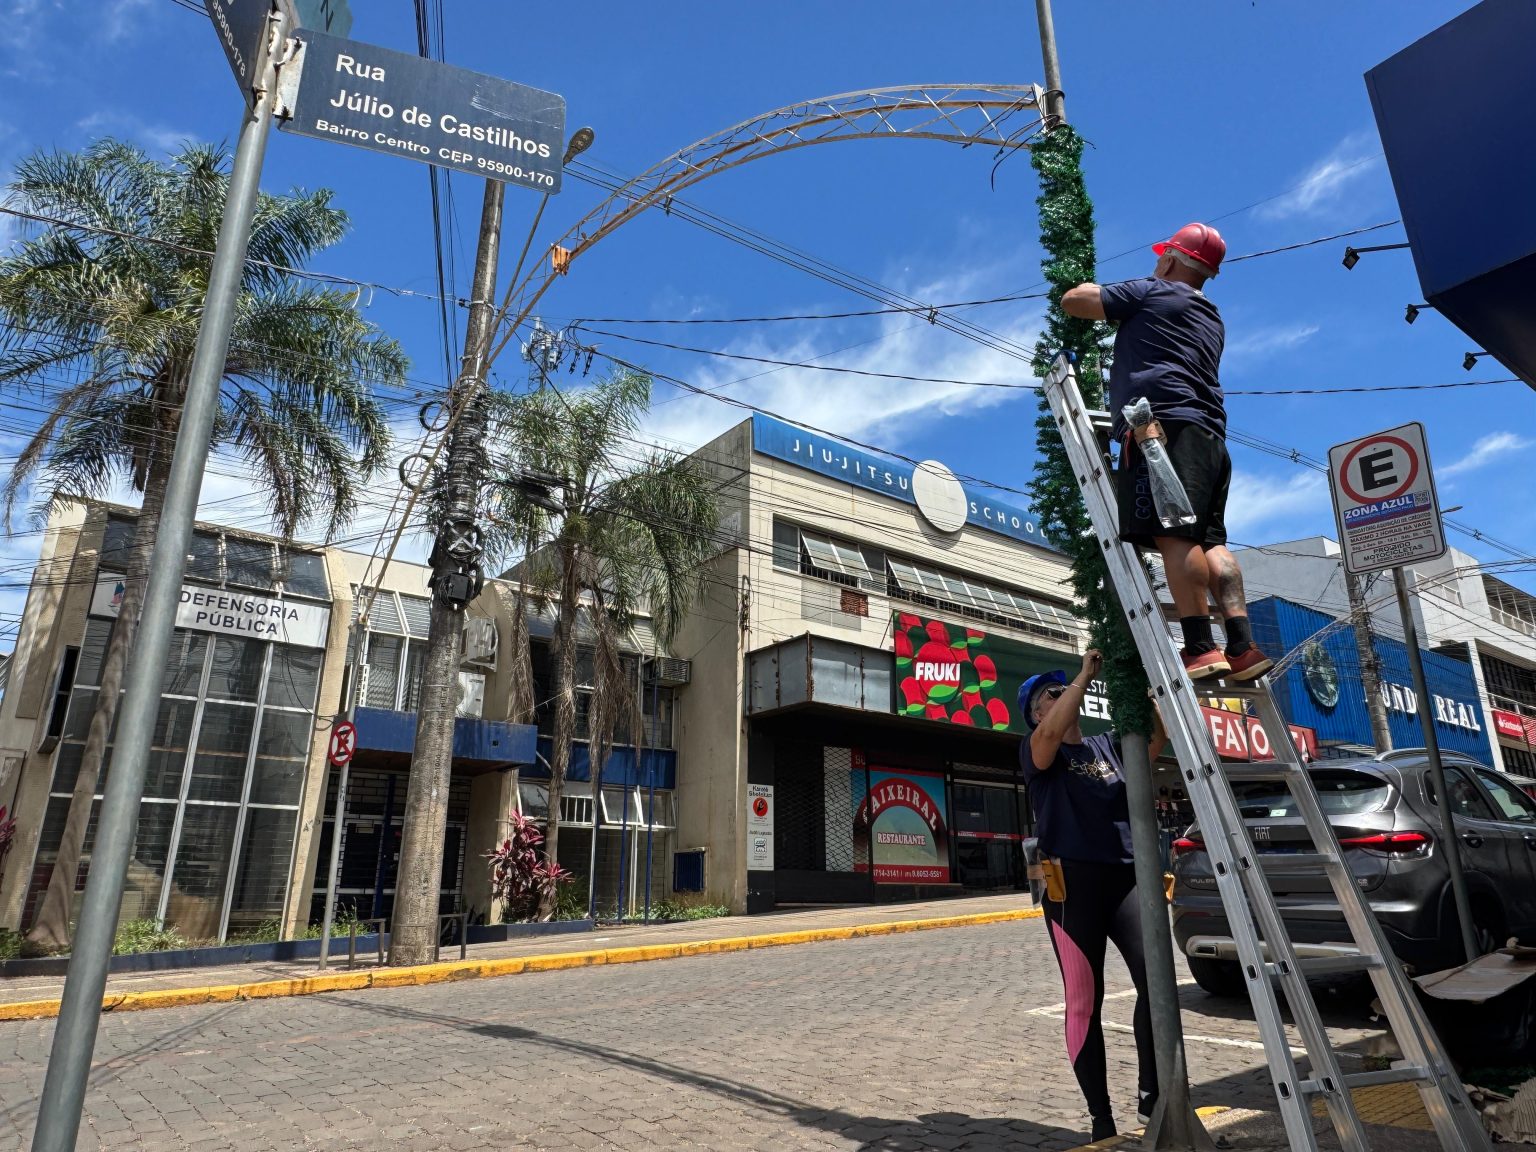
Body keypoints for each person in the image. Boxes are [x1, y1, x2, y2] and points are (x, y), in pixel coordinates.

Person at [1061, 223, 1271, 682]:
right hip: (1210, 436)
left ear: (1173, 258)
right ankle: (1241, 647)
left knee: (1175, 535)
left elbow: (1075, 300)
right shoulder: (1211, 315)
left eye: (1163, 255)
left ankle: (1200, 647)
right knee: (1212, 542)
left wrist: (1102, 289)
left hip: (1162, 431)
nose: (1156, 259)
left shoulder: (1153, 291)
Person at [1021, 649, 1166, 1142]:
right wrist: (1083, 676)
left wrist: (1141, 693)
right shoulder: (1038, 749)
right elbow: (1047, 740)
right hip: (1071, 888)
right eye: (1051, 694)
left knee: (1157, 982)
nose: (1064, 696)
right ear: (1038, 713)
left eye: (1065, 690)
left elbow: (1152, 745)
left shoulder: (1106, 746)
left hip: (1126, 879)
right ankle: (1100, 1118)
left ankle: (1152, 1094)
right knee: (1085, 1000)